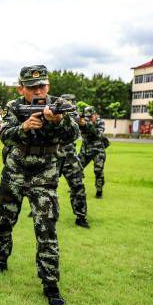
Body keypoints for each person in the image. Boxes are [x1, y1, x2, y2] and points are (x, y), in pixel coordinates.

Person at [0, 66, 79, 305]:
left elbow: (73, 135)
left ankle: (50, 284)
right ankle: (0, 260)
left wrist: (57, 122)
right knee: (2, 220)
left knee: (46, 229)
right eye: (32, 87)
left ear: (48, 86)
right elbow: (4, 135)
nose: (38, 91)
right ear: (21, 89)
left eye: (42, 86)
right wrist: (24, 128)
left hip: (45, 176)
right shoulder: (14, 107)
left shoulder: (61, 106)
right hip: (14, 172)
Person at [57, 94, 89, 228]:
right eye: (68, 102)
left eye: (71, 102)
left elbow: (81, 127)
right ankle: (36, 209)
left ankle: (81, 216)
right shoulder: (50, 112)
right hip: (52, 156)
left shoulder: (74, 115)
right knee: (43, 186)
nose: (70, 105)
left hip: (70, 157)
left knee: (78, 187)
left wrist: (83, 123)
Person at [78, 106, 108, 198]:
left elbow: (99, 134)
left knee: (98, 171)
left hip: (98, 150)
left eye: (91, 116)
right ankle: (76, 187)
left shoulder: (100, 122)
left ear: (95, 115)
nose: (89, 118)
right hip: (85, 149)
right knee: (77, 168)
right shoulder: (82, 122)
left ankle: (99, 191)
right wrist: (82, 123)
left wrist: (87, 125)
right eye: (87, 117)